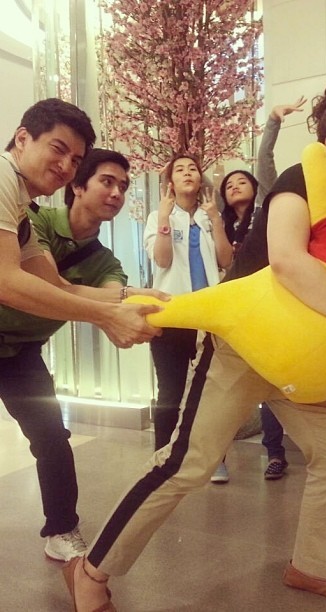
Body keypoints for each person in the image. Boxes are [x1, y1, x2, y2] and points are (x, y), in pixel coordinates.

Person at [66, 82, 326, 609]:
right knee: (187, 463)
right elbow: (287, 260)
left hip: (302, 360)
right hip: (242, 343)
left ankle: (313, 566)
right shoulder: (303, 178)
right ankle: (91, 569)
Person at [0, 147, 166, 562]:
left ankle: (62, 529)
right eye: (106, 181)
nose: (116, 193)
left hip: (20, 354)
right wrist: (114, 310)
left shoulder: (105, 262)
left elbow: (106, 295)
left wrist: (129, 308)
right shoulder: (33, 218)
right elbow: (45, 285)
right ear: (77, 186)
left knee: (52, 438)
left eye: (123, 186)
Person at [185, 97, 307, 483]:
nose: (235, 185)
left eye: (242, 180)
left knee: (272, 381)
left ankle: (275, 454)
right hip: (236, 311)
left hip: (273, 307)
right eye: (229, 184)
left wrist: (273, 121)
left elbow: (265, 162)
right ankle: (213, 456)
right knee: (224, 386)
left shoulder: (270, 208)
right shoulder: (221, 225)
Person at [0, 98, 162, 348]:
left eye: (75, 161)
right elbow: (6, 282)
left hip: (23, 348)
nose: (66, 166)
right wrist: (108, 316)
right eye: (58, 148)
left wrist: (128, 295)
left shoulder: (22, 211)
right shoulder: (4, 175)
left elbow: (54, 285)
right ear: (22, 139)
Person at [144, 154, 232, 452]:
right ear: (170, 181)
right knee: (170, 392)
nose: (187, 173)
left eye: (192, 168)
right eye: (179, 170)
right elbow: (162, 260)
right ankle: (161, 457)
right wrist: (164, 219)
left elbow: (225, 260)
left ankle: (211, 459)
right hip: (172, 315)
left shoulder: (210, 216)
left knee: (210, 394)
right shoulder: (158, 216)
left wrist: (216, 219)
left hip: (209, 318)